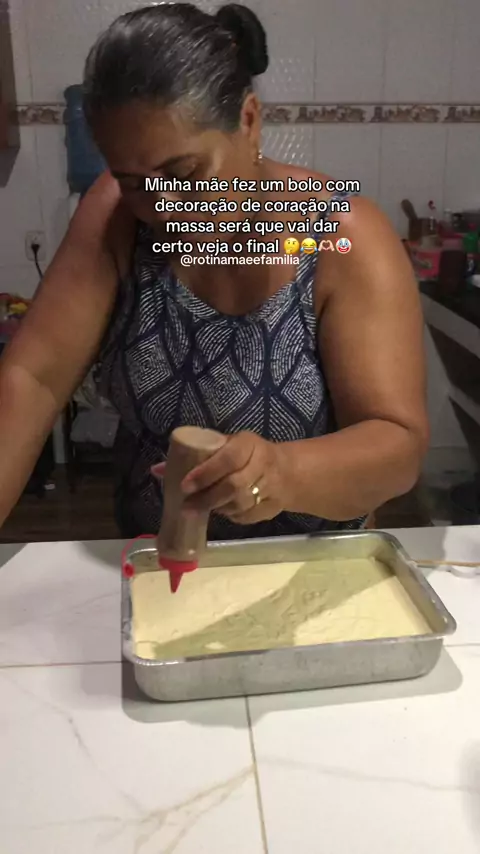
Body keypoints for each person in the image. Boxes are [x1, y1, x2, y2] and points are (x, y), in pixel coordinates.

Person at [0, 3, 428, 539]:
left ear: (248, 122)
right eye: (134, 181)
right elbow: (33, 379)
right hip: (154, 561)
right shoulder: (113, 215)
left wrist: (282, 473)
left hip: (308, 563)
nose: (164, 207)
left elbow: (396, 445)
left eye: (184, 174)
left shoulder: (342, 236)